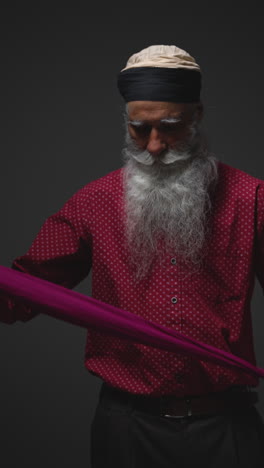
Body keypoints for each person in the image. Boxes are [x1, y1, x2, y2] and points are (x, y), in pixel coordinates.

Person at [1, 44, 264, 467]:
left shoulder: (251, 198)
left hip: (226, 427)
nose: (155, 146)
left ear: (198, 115)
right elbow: (21, 292)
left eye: (171, 127)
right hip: (127, 430)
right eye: (139, 129)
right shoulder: (94, 202)